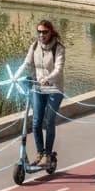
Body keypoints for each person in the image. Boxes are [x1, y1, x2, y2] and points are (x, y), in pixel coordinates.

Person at [22, 20, 65, 167]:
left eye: (45, 32)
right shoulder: (34, 46)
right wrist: (16, 76)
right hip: (38, 88)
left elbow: (58, 70)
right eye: (39, 32)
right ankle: (40, 153)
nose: (41, 35)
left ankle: (47, 155)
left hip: (54, 88)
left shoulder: (58, 48)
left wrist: (47, 79)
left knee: (49, 121)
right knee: (36, 122)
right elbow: (26, 63)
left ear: (51, 32)